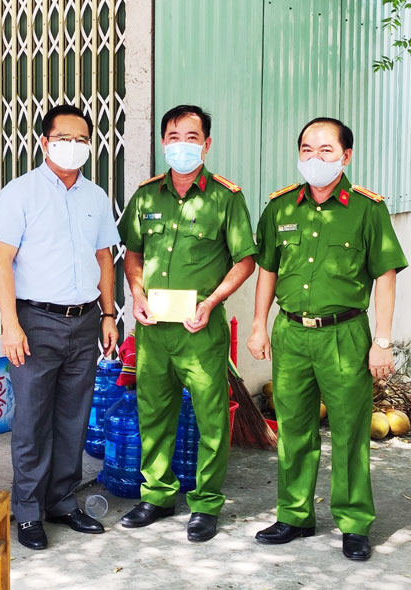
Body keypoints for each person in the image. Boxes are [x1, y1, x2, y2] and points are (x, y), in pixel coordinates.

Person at [247, 117, 407, 561]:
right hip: (292, 332)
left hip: (346, 335)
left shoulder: (366, 208)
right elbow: (268, 270)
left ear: (346, 156)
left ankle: (354, 523)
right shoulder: (280, 207)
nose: (314, 158)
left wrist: (384, 340)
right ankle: (294, 515)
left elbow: (386, 277)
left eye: (325, 150)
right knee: (294, 430)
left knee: (350, 432)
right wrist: (259, 324)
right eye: (306, 149)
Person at [118, 105, 256, 543]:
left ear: (207, 144)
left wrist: (213, 301)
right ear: (163, 142)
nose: (182, 145)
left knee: (210, 418)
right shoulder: (145, 196)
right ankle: (157, 494)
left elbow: (245, 260)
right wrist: (136, 292)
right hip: (154, 329)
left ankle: (206, 503)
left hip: (201, 329)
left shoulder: (225, 197)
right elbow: (133, 253)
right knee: (154, 412)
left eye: (192, 137)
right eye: (174, 136)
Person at [0, 104, 120, 550]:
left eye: (82, 139)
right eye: (64, 138)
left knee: (72, 418)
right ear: (45, 142)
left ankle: (62, 500)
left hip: (84, 321)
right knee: (31, 421)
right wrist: (11, 324)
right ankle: (28, 511)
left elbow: (104, 257)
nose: (74, 146)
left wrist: (108, 314)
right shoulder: (19, 193)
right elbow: (0, 260)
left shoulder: (96, 197)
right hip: (35, 321)